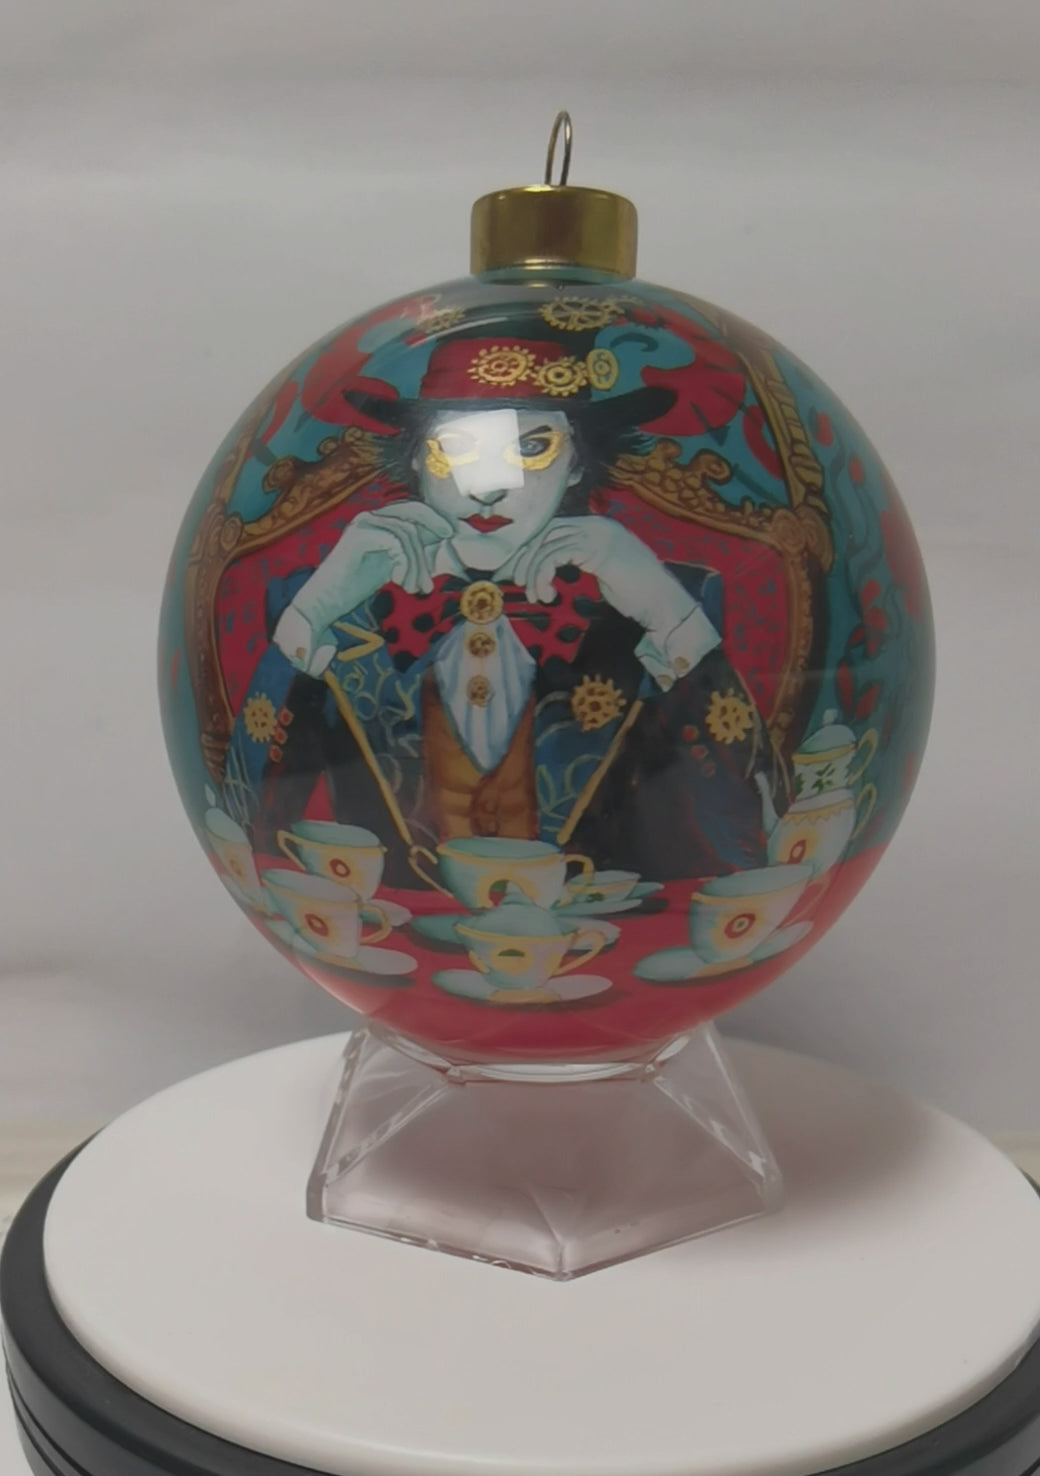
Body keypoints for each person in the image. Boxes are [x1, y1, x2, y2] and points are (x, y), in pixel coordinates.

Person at [224, 324, 780, 884]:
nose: (487, 487)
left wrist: (671, 617)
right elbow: (240, 825)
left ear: (579, 463)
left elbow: (766, 835)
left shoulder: (664, 603)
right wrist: (310, 616)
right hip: (388, 936)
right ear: (415, 460)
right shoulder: (333, 601)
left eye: (532, 447)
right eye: (453, 449)